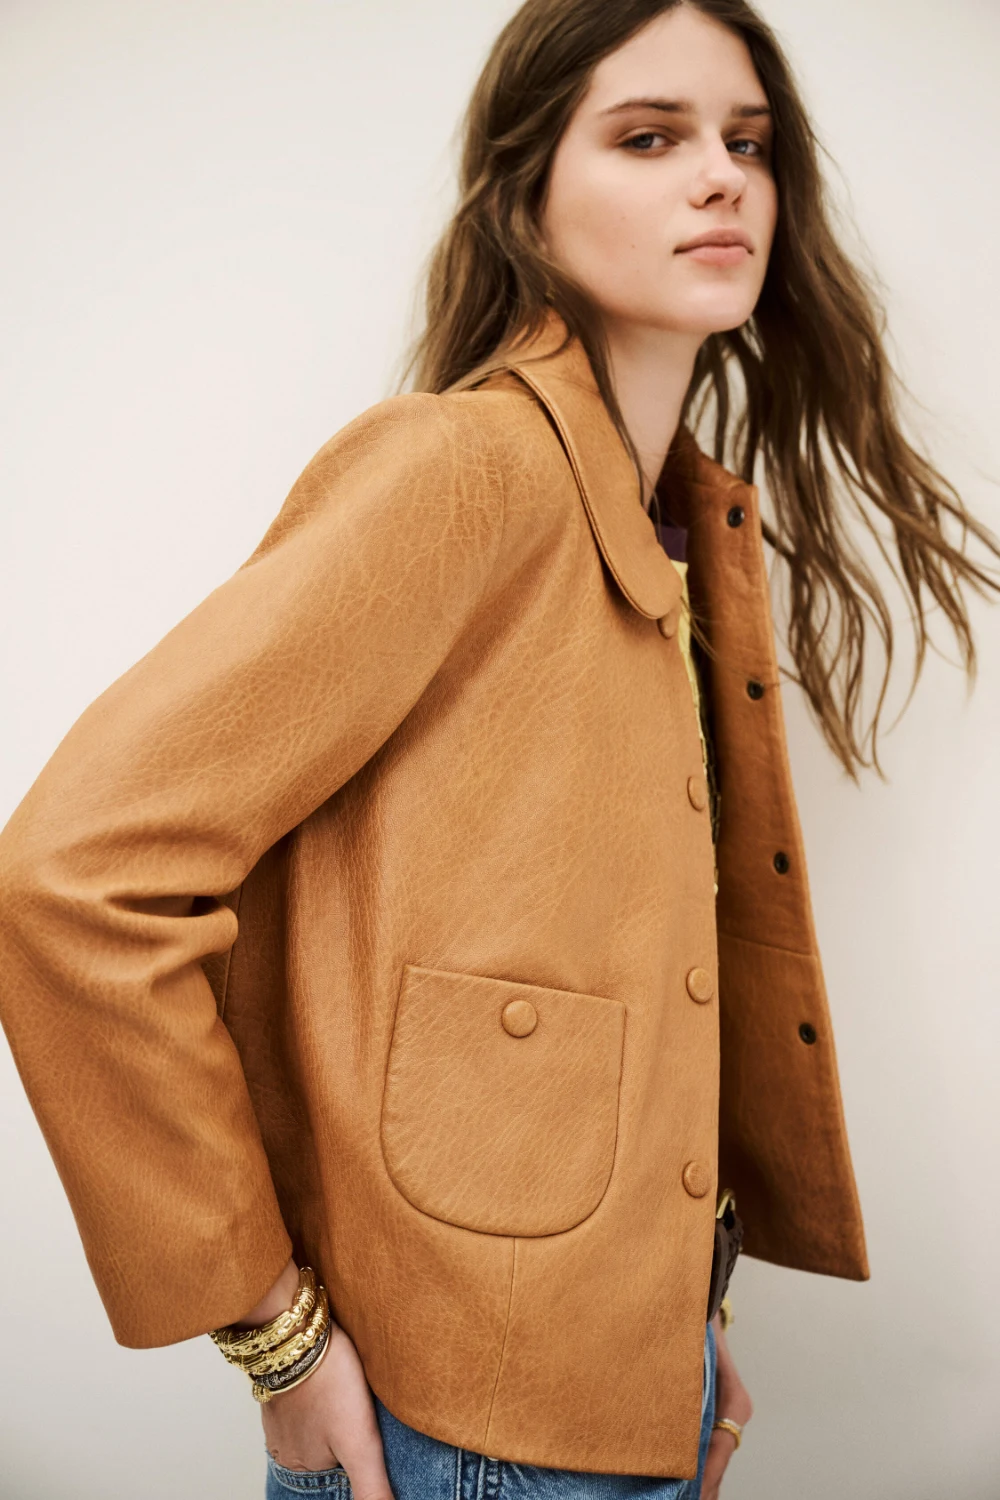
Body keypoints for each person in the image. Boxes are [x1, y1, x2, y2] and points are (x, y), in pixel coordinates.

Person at [0, 1, 997, 1497]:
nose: (720, 178)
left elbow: (615, 967)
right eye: (649, 138)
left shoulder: (672, 523)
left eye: (748, 144)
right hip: (464, 1437)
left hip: (629, 1388)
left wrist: (683, 1312)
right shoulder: (463, 469)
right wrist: (275, 1338)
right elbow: (74, 880)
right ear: (527, 199)